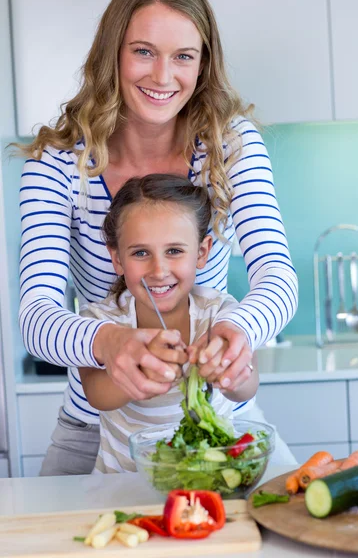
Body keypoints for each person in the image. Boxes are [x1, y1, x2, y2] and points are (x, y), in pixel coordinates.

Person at [17, 0, 298, 476]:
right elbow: (36, 317)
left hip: (218, 427)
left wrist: (237, 328)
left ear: (202, 64)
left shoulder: (230, 146)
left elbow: (277, 279)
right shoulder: (57, 162)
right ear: (113, 54)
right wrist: (108, 344)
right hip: (95, 435)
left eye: (183, 56)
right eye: (143, 51)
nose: (163, 76)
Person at [79, 173, 262, 473]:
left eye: (174, 251)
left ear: (202, 252)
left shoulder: (221, 312)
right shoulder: (101, 320)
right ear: (117, 259)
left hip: (209, 478)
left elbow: (248, 387)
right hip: (125, 482)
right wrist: (141, 369)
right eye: (140, 253)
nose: (159, 270)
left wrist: (227, 373)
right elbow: (96, 394)